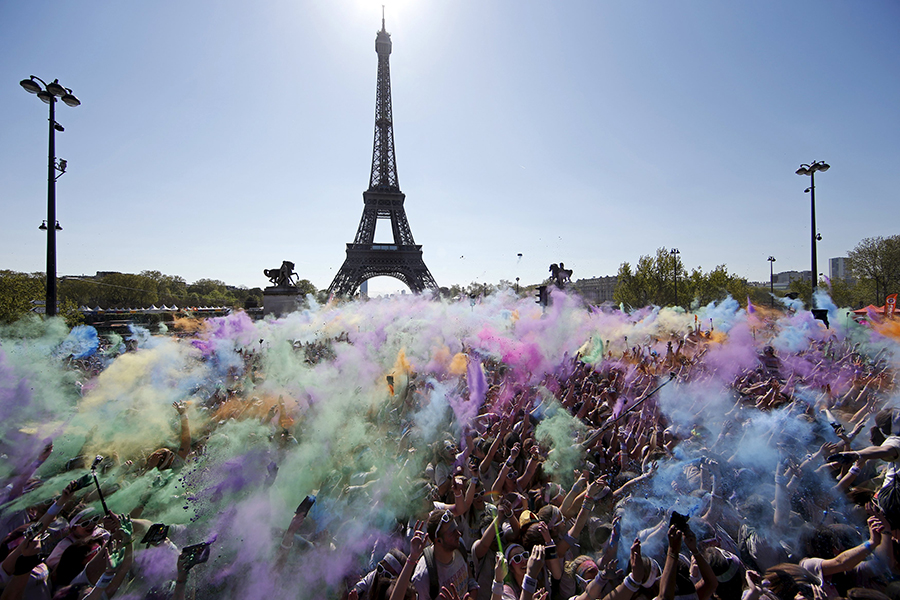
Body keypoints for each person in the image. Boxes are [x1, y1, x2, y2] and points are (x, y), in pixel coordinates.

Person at [410, 509, 473, 600]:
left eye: (456, 529)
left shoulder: (459, 546)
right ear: (438, 540)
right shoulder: (423, 577)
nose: (458, 534)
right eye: (452, 532)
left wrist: (473, 589)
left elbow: (470, 577)